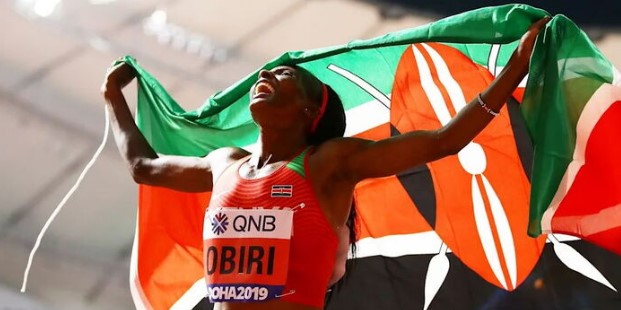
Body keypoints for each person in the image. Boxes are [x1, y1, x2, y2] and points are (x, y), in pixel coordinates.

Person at [101, 17, 549, 310]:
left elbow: (443, 140)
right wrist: (113, 99)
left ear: (307, 112)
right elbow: (143, 166)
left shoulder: (328, 163)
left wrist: (515, 69)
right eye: (267, 72)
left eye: (284, 75)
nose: (265, 76)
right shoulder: (223, 164)